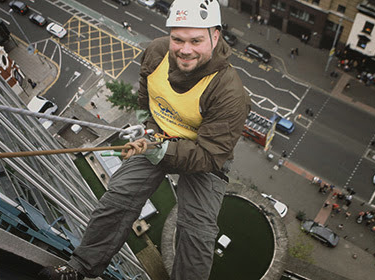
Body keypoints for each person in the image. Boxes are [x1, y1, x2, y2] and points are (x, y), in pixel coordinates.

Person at [38, 0, 250, 279]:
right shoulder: (157, 53)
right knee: (118, 198)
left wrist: (162, 150)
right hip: (156, 137)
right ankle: (80, 267)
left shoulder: (228, 92)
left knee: (197, 232)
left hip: (202, 155)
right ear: (170, 35)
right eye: (178, 39)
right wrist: (146, 127)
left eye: (196, 40)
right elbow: (145, 97)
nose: (185, 50)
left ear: (215, 36)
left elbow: (210, 156)